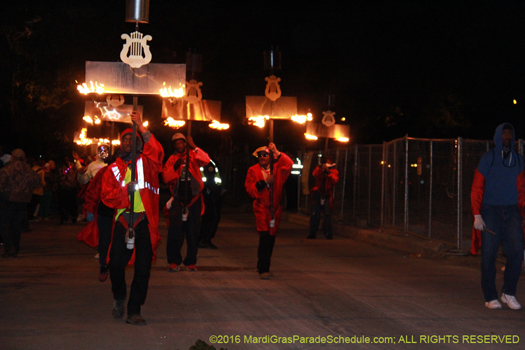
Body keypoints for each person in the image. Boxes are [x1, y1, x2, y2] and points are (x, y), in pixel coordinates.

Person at [101, 111, 164, 325]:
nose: (128, 142)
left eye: (132, 139)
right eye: (125, 139)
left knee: (143, 268)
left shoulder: (148, 163)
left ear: (138, 143)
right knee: (115, 266)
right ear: (121, 144)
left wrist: (142, 127)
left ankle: (134, 311)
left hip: (144, 221)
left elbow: (158, 151)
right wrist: (123, 193)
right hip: (123, 221)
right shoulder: (113, 169)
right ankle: (119, 297)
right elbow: (106, 197)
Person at [471, 123, 525, 310]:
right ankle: (490, 296)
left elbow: (522, 188)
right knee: (489, 254)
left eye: (510, 133)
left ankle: (508, 293)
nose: (507, 136)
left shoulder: (518, 159)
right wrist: (477, 213)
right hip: (490, 209)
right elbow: (477, 185)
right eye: (504, 133)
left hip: (511, 210)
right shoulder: (489, 158)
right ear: (497, 136)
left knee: (518, 250)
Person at [162, 133, 210, 272]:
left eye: (181, 142)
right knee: (175, 231)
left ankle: (190, 261)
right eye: (176, 143)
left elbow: (206, 160)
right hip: (178, 199)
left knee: (193, 231)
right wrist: (176, 166)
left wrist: (194, 146)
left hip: (194, 198)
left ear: (185, 143)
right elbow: (165, 177)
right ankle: (174, 261)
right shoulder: (172, 159)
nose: (179, 145)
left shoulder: (193, 155)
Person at [245, 143, 293, 280]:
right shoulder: (253, 170)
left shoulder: (278, 169)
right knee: (264, 237)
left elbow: (289, 164)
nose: (262, 157)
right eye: (260, 155)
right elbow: (249, 189)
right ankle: (263, 269)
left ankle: (263, 265)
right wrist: (264, 182)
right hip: (261, 208)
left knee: (271, 238)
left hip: (275, 209)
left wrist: (276, 151)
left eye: (265, 155)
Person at [77, 145, 114, 282]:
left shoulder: (125, 171)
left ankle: (113, 263)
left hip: (119, 210)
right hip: (103, 209)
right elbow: (88, 186)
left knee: (116, 238)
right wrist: (90, 208)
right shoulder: (96, 167)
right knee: (104, 238)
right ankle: (104, 264)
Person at [0, 149, 41, 257]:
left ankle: (9, 246)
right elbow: (37, 183)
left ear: (12, 157)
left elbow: (1, 185)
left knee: (5, 224)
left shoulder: (6, 169)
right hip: (23, 200)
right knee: (16, 225)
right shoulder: (29, 170)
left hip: (8, 200)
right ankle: (16, 246)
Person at [307, 155, 339, 239]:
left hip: (327, 195)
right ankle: (312, 233)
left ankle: (328, 233)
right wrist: (321, 168)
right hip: (318, 194)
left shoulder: (334, 171)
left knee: (327, 215)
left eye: (329, 161)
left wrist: (328, 172)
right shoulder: (319, 169)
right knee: (315, 214)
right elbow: (315, 174)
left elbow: (334, 180)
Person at [198, 160, 223, 249]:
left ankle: (201, 238)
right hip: (210, 194)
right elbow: (210, 179)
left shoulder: (206, 162)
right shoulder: (208, 163)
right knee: (213, 217)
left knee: (207, 217)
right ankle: (205, 239)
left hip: (208, 193)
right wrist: (211, 190)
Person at [55, 156, 79, 224]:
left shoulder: (73, 167)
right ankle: (63, 218)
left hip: (71, 188)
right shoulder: (61, 168)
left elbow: (76, 176)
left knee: (73, 204)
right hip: (63, 188)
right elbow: (59, 177)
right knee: (63, 204)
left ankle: (74, 217)